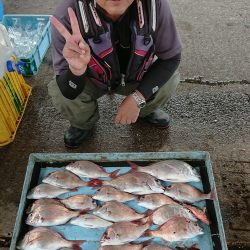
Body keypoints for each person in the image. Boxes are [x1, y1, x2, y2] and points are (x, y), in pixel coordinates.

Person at [48, 0, 182, 148]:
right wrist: (76, 71)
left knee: (169, 79)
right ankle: (83, 123)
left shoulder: (155, 5)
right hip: (93, 78)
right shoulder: (66, 16)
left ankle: (144, 109)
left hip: (136, 76)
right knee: (59, 89)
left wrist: (138, 97)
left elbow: (171, 58)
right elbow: (68, 90)